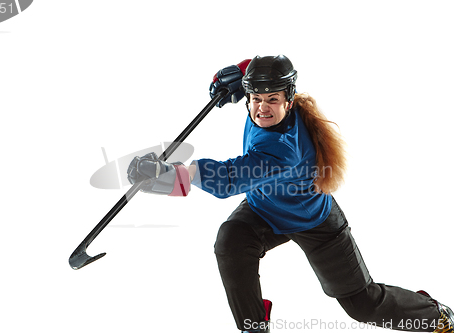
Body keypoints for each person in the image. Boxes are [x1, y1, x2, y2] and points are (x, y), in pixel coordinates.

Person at [127, 55, 454, 333]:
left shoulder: (282, 149)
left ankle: (434, 316)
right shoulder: (265, 100)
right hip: (265, 209)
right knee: (231, 241)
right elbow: (254, 68)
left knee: (361, 304)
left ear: (289, 99)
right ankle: (254, 325)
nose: (262, 108)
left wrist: (165, 177)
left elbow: (227, 179)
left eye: (272, 100)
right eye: (255, 98)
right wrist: (236, 75)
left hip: (314, 220)